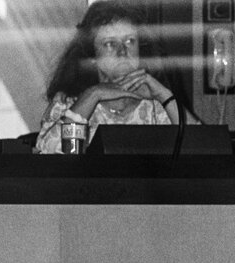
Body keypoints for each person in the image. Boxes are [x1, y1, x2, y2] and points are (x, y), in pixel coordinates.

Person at [35, 1, 182, 154]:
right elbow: (49, 155)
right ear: (91, 55)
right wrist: (93, 95)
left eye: (130, 41)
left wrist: (164, 96)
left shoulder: (155, 106)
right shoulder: (68, 103)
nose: (123, 51)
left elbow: (201, 149)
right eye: (110, 43)